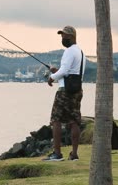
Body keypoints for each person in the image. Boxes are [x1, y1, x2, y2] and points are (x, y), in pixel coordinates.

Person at [43, 26, 86, 161]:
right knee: (74, 121)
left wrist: (52, 77)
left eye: (65, 36)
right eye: (62, 36)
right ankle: (74, 154)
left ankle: (57, 154)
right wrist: (57, 70)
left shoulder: (68, 51)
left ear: (72, 36)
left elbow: (64, 72)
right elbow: (70, 71)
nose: (63, 38)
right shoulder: (81, 52)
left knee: (56, 120)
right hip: (77, 90)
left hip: (64, 92)